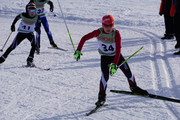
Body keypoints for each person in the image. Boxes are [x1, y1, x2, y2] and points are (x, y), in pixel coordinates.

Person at [74, 15, 148, 106]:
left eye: (110, 25)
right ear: (102, 25)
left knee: (128, 72)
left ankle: (134, 88)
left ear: (113, 25)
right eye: (106, 25)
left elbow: (118, 50)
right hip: (105, 57)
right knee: (105, 77)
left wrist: (115, 64)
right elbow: (84, 38)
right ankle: (101, 97)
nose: (108, 28)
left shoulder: (116, 33)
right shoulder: (98, 32)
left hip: (116, 56)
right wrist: (78, 50)